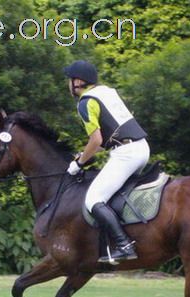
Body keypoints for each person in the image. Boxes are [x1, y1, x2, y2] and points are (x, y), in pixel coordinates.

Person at [64, 60, 150, 264]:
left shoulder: (85, 102)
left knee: (93, 199)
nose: (68, 84)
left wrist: (78, 164)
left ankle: (124, 245)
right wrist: (84, 154)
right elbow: (109, 136)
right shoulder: (107, 92)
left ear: (78, 81)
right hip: (141, 147)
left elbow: (96, 140)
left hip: (126, 154)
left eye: (70, 79)